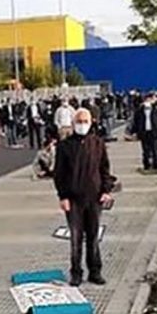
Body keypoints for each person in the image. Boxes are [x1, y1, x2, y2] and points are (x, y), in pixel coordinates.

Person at [54, 108, 115, 286]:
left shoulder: (97, 143)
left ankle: (95, 271)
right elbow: (60, 174)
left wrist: (106, 190)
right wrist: (63, 196)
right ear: (73, 124)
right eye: (79, 121)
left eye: (85, 121)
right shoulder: (64, 146)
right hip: (73, 200)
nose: (82, 125)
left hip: (95, 198)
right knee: (75, 238)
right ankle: (76, 273)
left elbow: (104, 169)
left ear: (91, 122)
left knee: (93, 237)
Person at [133, 93, 157, 171]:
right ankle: (146, 165)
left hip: (153, 132)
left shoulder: (155, 110)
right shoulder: (139, 111)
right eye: (147, 100)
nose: (148, 101)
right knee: (145, 150)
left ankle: (156, 165)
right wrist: (137, 132)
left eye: (150, 100)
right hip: (144, 132)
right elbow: (136, 121)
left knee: (155, 150)